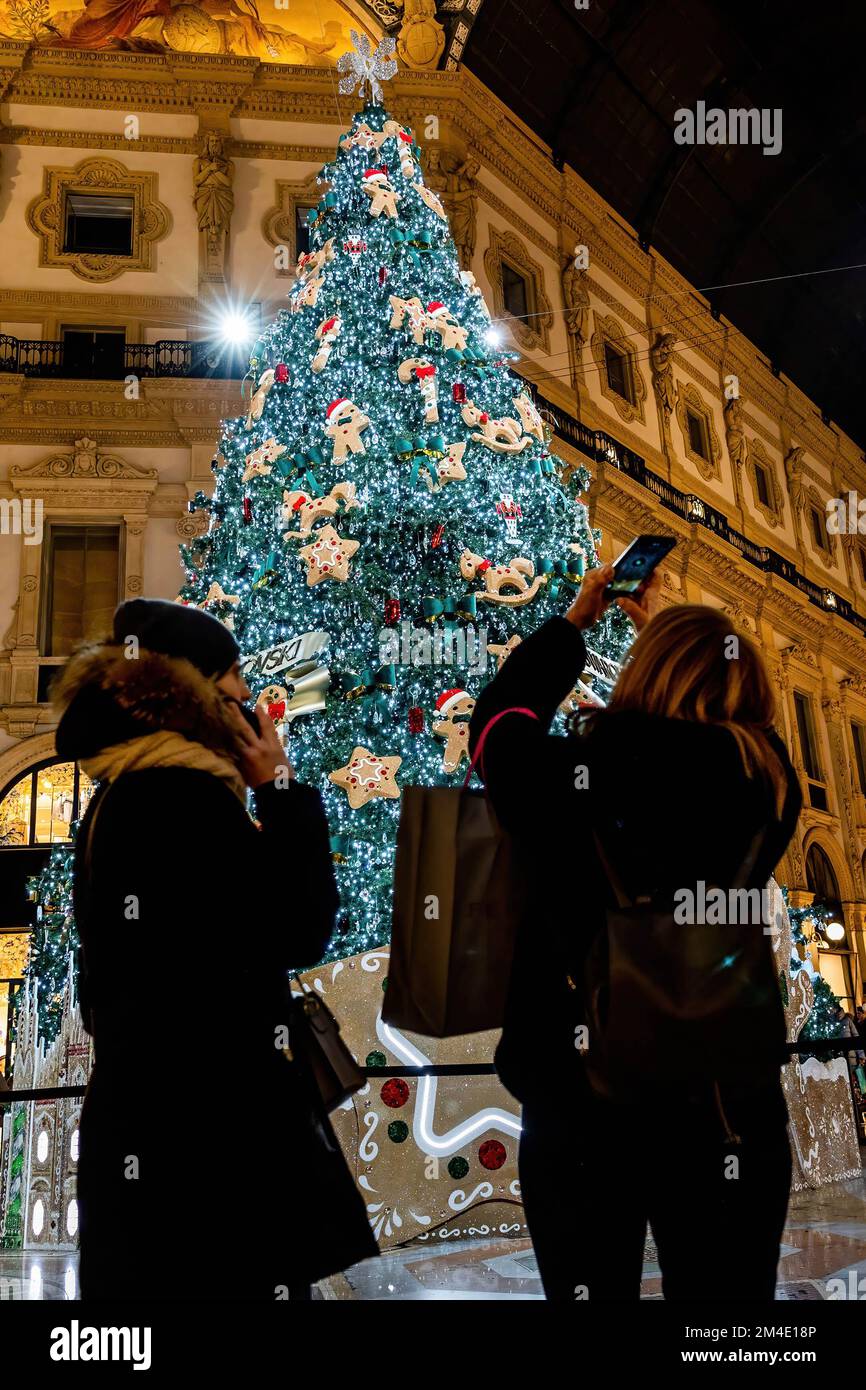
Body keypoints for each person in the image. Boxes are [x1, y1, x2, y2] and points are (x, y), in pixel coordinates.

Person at [469, 566, 802, 1302]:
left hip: (584, 1101)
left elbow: (497, 724)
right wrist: (682, 645)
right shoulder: (770, 782)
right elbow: (722, 727)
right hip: (727, 1105)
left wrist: (573, 625)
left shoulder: (581, 770)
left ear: (643, 670)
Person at [54, 598, 377, 1300]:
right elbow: (298, 928)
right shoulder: (187, 799)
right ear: (199, 694)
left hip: (148, 1134)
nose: (249, 699)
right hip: (211, 1154)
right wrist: (281, 790)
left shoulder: (120, 793)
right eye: (234, 679)